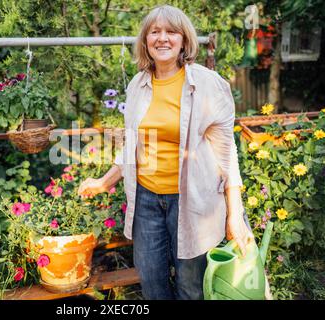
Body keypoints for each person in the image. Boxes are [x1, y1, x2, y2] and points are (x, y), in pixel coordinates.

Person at [78, 5, 254, 300]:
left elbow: (227, 157)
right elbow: (133, 146)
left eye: (171, 32)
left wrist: (234, 216)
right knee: (151, 283)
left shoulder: (208, 85)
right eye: (154, 32)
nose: (162, 38)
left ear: (184, 40)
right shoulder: (138, 85)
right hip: (146, 201)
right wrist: (104, 181)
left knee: (191, 288)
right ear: (145, 40)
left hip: (193, 201)